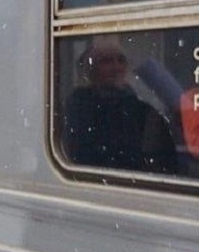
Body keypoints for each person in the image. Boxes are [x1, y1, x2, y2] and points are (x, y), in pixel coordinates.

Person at [62, 40, 176, 173]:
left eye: (121, 60)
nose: (116, 67)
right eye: (106, 61)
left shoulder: (144, 112)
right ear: (90, 70)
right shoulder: (77, 107)